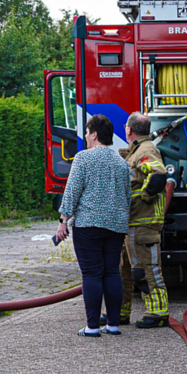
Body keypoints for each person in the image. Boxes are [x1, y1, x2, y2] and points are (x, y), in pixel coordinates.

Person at [55, 115, 132, 337]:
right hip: (115, 225)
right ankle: (113, 324)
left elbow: (72, 192)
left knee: (91, 274)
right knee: (111, 272)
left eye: (87, 133)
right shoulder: (121, 162)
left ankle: (91, 327)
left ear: (95, 134)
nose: (86, 136)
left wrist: (63, 221)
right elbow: (127, 197)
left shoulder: (83, 158)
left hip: (88, 224)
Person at [118, 112, 170, 328]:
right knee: (124, 271)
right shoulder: (136, 151)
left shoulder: (146, 150)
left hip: (143, 223)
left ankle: (158, 312)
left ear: (128, 129)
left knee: (146, 269)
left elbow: (158, 175)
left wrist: (145, 197)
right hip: (130, 223)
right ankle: (119, 311)